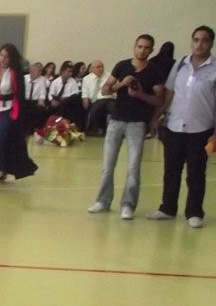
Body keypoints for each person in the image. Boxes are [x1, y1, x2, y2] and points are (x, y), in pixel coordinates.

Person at [147, 26, 216, 228]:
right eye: (196, 39)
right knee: (171, 171)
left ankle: (194, 212)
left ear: (211, 43)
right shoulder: (180, 65)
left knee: (196, 174)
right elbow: (169, 94)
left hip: (200, 129)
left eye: (204, 40)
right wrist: (156, 116)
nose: (199, 44)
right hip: (175, 126)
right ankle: (167, 208)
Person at [87, 34, 163, 219]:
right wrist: (121, 84)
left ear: (151, 50)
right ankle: (102, 201)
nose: (142, 50)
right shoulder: (122, 66)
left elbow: (159, 100)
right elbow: (105, 90)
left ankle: (128, 204)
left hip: (137, 123)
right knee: (107, 165)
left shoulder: (155, 71)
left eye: (146, 47)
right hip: (116, 120)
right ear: (134, 47)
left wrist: (140, 94)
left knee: (133, 167)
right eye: (139, 46)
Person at [0, 43, 38, 190]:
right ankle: (3, 168)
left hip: (8, 111)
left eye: (7, 56)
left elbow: (20, 95)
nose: (3, 59)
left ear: (12, 59)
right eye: (1, 55)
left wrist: (22, 119)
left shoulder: (15, 74)